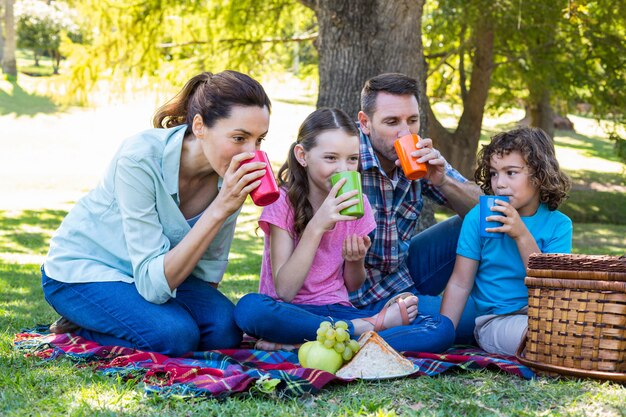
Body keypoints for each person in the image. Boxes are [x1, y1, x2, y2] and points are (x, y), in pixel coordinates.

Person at [42, 70, 272, 356]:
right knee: (175, 337)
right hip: (87, 269)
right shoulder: (139, 158)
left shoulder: (226, 177)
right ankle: (87, 323)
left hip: (153, 274)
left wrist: (202, 313)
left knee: (225, 331)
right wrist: (219, 208)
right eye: (239, 138)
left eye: (259, 140)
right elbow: (153, 287)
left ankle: (129, 318)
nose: (251, 153)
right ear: (199, 126)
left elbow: (207, 270)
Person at [234, 108, 455, 353]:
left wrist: (355, 260)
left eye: (352, 159)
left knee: (440, 327)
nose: (344, 169)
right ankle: (359, 332)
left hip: (339, 309)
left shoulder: (357, 204)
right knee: (250, 308)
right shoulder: (283, 202)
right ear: (302, 155)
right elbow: (285, 291)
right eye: (331, 158)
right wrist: (317, 225)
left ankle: (308, 345)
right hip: (290, 314)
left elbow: (353, 285)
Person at [353, 73, 481, 342]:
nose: (405, 132)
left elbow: (486, 210)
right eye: (392, 122)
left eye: (412, 120)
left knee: (470, 222)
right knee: (478, 320)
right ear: (365, 123)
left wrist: (443, 180)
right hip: (358, 294)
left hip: (403, 276)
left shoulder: (420, 156)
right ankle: (374, 325)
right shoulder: (345, 157)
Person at [440, 127, 572, 356]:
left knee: (582, 329)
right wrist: (442, 333)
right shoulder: (478, 219)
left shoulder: (559, 225)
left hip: (547, 314)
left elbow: (553, 286)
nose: (499, 183)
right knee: (543, 338)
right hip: (496, 320)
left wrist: (521, 235)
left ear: (539, 175)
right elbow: (460, 283)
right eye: (493, 173)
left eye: (511, 172)